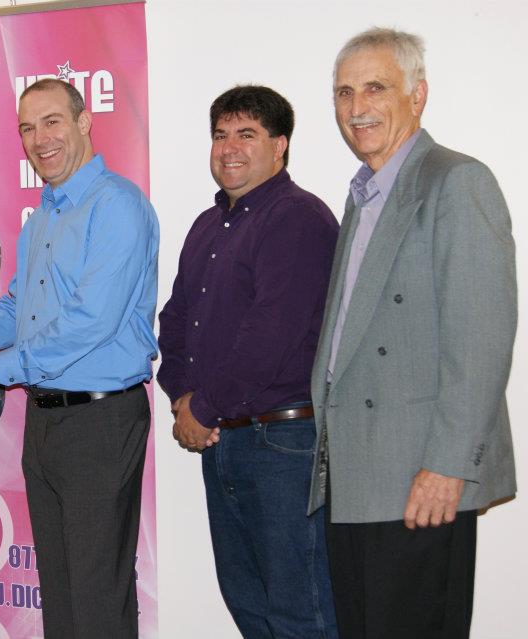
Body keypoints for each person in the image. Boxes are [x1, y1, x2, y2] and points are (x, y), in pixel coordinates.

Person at [0, 78, 159, 638]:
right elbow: (14, 314)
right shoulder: (46, 216)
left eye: (52, 121)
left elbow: (91, 323)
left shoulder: (118, 206)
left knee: (98, 595)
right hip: (48, 420)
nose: (39, 138)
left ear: (84, 123)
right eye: (27, 128)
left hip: (99, 423)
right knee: (60, 591)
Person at [309, 28, 517, 638]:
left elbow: (482, 339)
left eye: (375, 87)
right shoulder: (363, 196)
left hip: (420, 479)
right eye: (344, 92)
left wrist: (448, 466)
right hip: (356, 474)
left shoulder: (456, 182)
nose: (356, 107)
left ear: (417, 94)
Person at [158, 85, 340, 638]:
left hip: (283, 445)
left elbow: (272, 336)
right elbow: (176, 319)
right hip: (225, 441)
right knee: (248, 605)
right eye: (220, 135)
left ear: (280, 146)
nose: (229, 148)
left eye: (247, 134)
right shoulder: (207, 226)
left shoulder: (298, 218)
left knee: (299, 612)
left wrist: (204, 407)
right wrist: (183, 398)